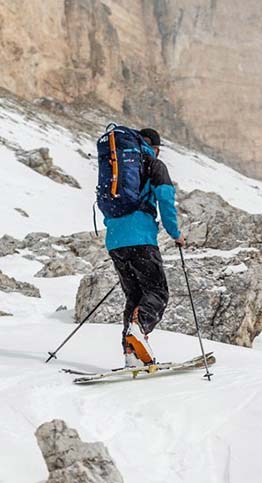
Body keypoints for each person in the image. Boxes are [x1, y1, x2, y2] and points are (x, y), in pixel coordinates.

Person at [104, 128, 185, 367]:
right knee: (157, 292)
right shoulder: (154, 164)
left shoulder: (116, 166)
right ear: (156, 147)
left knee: (135, 297)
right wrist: (176, 234)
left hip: (115, 242)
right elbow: (166, 201)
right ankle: (139, 330)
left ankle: (131, 354)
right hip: (141, 240)